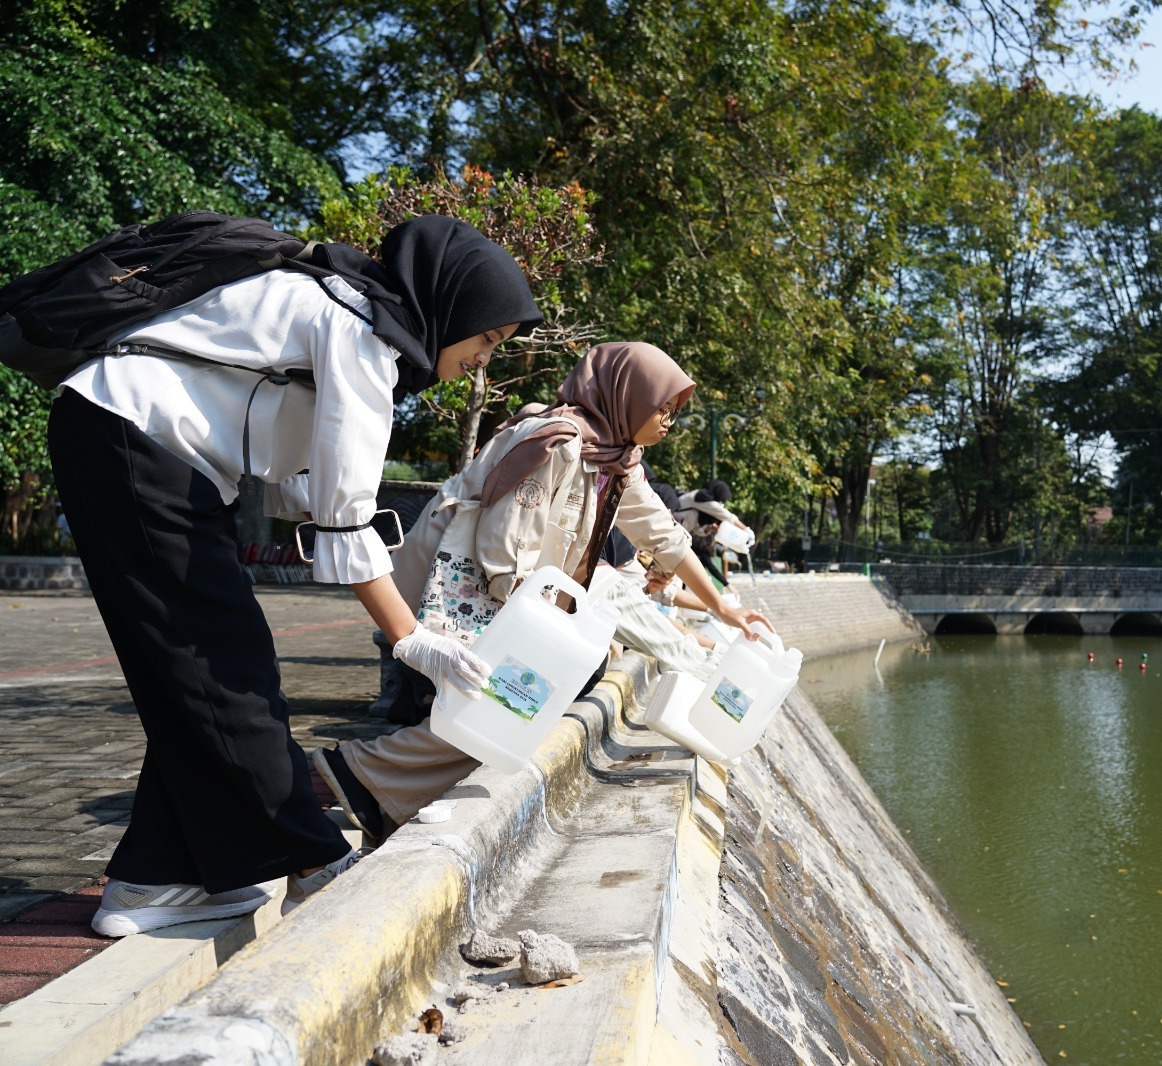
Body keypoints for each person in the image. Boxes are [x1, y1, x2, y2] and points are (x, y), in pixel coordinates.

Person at [50, 215, 543, 936]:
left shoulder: (346, 307)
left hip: (132, 443)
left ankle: (156, 877)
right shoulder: (361, 329)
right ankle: (316, 860)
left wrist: (406, 615)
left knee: (196, 669)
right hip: (136, 441)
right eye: (488, 340)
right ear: (454, 306)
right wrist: (411, 640)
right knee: (227, 666)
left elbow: (305, 489)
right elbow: (344, 514)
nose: (484, 361)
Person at [312, 342, 770, 839]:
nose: (667, 423)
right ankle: (341, 778)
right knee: (509, 699)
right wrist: (545, 632)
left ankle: (357, 783)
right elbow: (501, 549)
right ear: (627, 395)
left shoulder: (615, 457)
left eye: (673, 414)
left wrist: (723, 607)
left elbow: (663, 534)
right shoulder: (554, 441)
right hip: (459, 587)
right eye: (663, 408)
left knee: (512, 703)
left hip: (508, 595)